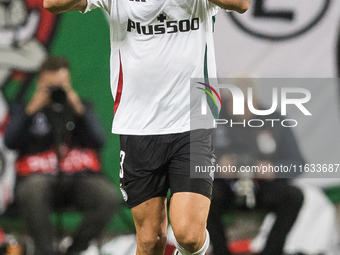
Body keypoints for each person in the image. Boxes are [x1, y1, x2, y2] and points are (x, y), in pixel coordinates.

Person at [42, 1, 251, 255]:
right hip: (138, 127)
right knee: (151, 238)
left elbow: (241, 4)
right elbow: (52, 4)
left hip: (192, 123)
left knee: (189, 235)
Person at [4, 56, 119, 255]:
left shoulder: (81, 107)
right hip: (38, 179)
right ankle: (46, 252)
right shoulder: (25, 109)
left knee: (107, 196)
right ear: (41, 82)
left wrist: (77, 108)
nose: (56, 91)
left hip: (78, 178)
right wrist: (32, 109)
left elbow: (99, 141)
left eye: (61, 86)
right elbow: (10, 142)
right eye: (51, 86)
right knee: (32, 189)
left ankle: (74, 250)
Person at [207, 84, 305, 255]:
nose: (242, 108)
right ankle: (220, 251)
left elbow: (298, 163)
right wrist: (217, 166)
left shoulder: (275, 120)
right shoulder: (212, 122)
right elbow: (190, 161)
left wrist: (274, 169)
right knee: (203, 195)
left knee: (294, 195)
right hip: (225, 189)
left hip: (264, 189)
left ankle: (272, 251)